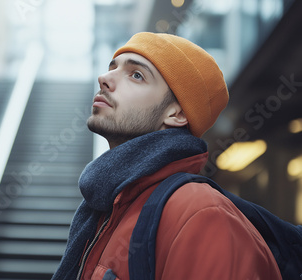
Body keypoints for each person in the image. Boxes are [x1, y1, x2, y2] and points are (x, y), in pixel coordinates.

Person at [52, 32, 281, 280]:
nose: (104, 78)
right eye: (113, 67)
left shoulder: (201, 213)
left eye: (136, 75)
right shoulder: (110, 207)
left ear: (177, 114)